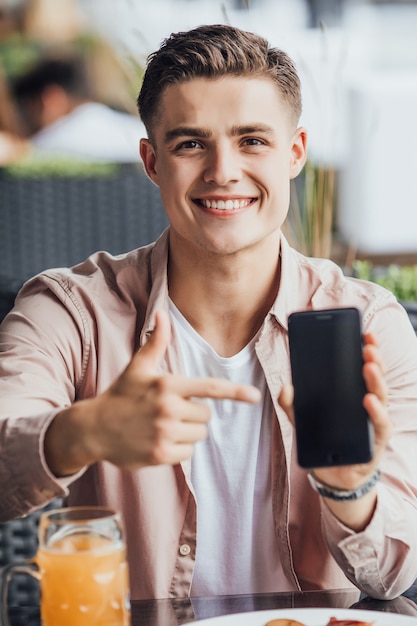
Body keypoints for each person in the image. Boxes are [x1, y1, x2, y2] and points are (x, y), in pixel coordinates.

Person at [1, 24, 417, 603]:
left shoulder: (368, 323)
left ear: (294, 154)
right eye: (190, 143)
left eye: (252, 140)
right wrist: (84, 431)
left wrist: (353, 491)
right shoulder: (68, 311)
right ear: (152, 161)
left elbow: (393, 578)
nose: (223, 170)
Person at [11, 54, 145, 162]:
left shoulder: (52, 144)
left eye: (28, 110)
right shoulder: (139, 133)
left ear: (50, 100)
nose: (26, 121)